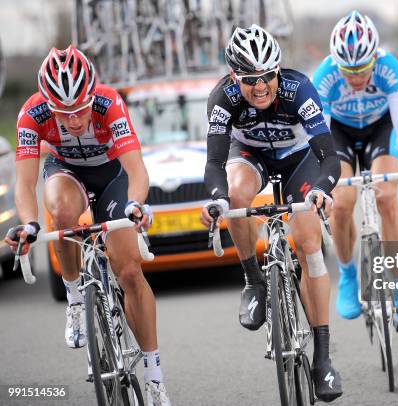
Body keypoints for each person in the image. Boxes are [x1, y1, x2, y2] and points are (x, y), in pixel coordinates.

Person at [5, 45, 171, 406]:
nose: (75, 119)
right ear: (48, 104)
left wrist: (135, 205)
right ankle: (75, 297)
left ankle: (154, 374)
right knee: (61, 213)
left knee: (127, 269)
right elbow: (23, 182)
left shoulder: (109, 104)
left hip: (112, 176)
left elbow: (136, 169)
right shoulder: (30, 114)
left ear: (91, 96)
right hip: (67, 173)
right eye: (64, 113)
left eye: (80, 108)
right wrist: (30, 225)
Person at [199, 25, 343, 402]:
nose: (260, 86)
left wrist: (322, 192)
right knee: (234, 195)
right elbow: (214, 163)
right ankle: (254, 280)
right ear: (235, 77)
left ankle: (323, 358)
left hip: (300, 159)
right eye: (250, 79)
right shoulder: (222, 98)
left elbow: (330, 157)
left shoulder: (299, 90)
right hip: (250, 156)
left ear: (277, 70)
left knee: (309, 241)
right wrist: (217, 200)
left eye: (267, 76)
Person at [312, 10, 398, 328]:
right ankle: (349, 277)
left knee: (387, 197)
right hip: (340, 134)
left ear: (375, 57)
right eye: (348, 70)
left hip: (381, 129)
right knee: (343, 203)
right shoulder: (324, 76)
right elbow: (318, 135)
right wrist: (323, 181)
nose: (356, 77)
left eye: (363, 68)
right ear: (336, 62)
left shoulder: (390, 68)